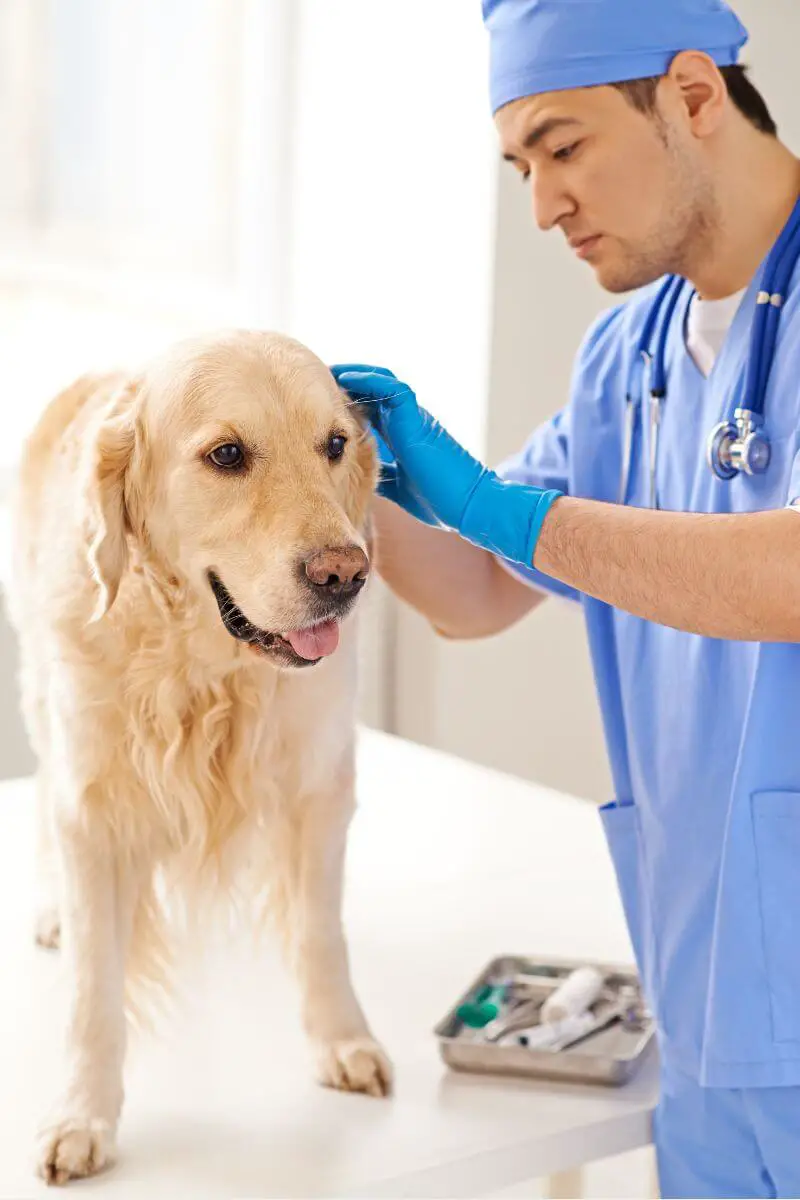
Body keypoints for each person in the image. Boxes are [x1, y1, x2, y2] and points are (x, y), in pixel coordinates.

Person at [332, 2, 800, 1196]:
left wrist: (493, 505)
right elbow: (477, 590)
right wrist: (328, 468)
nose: (541, 205)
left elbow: (782, 577)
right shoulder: (625, 356)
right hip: (710, 1019)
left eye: (563, 146)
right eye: (521, 166)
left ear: (692, 94)